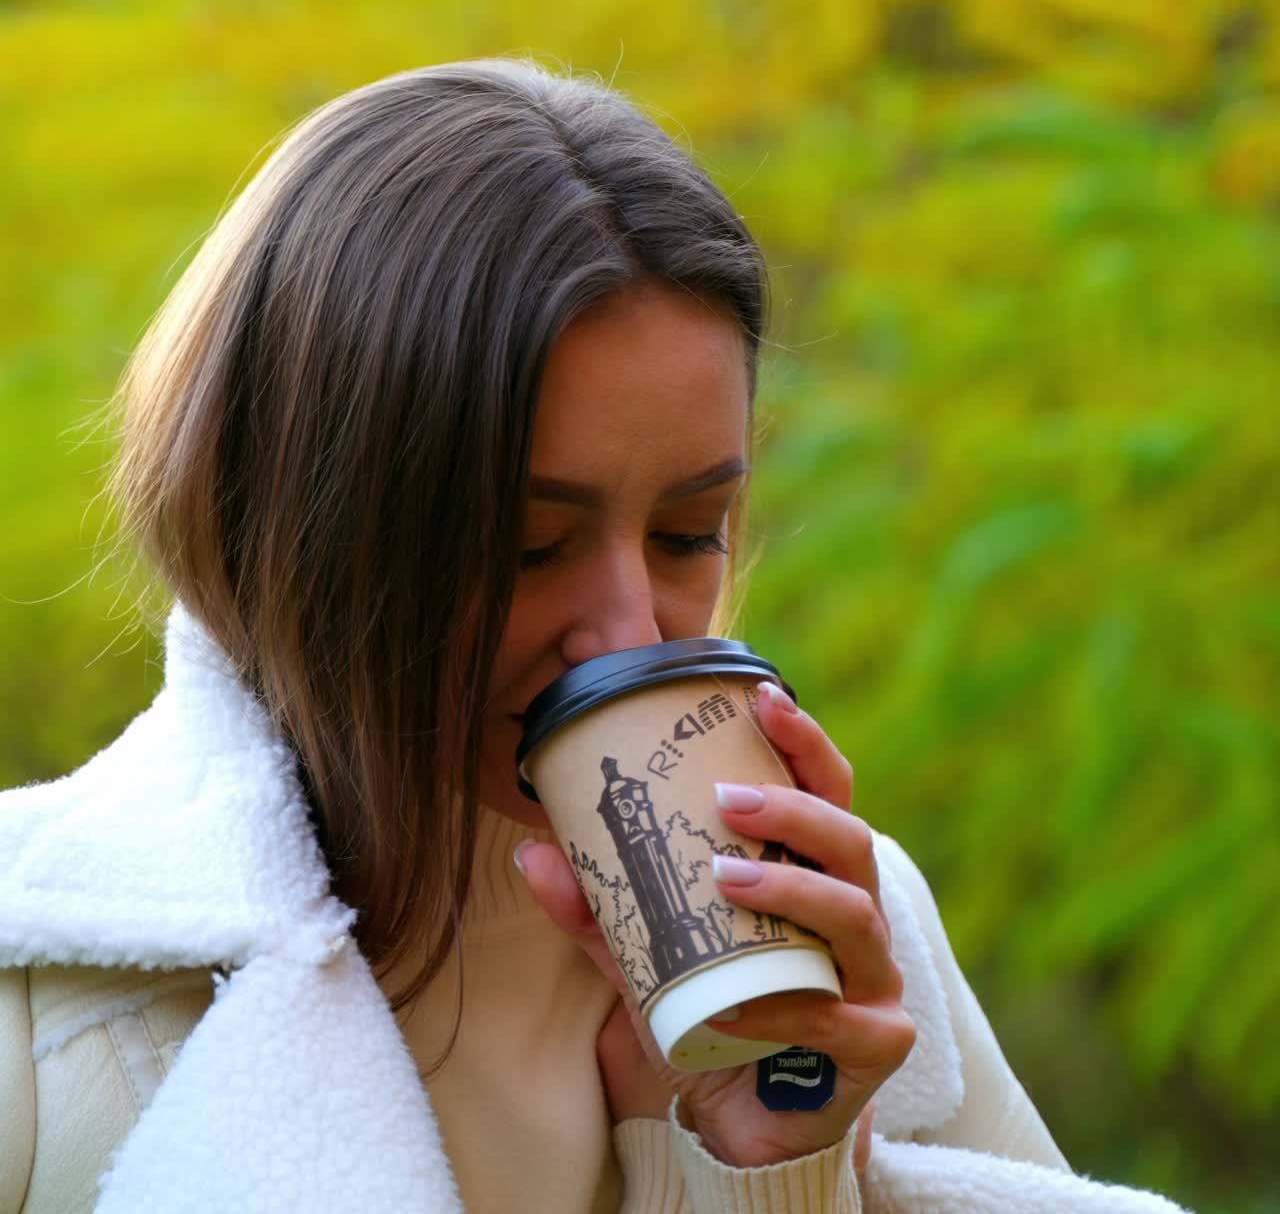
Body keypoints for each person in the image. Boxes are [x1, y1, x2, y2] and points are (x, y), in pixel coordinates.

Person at [0, 59, 1188, 1214]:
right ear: (301, 521)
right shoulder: (49, 992)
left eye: (685, 532)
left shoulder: (845, 938)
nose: (625, 632)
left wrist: (770, 1169)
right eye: (526, 546)